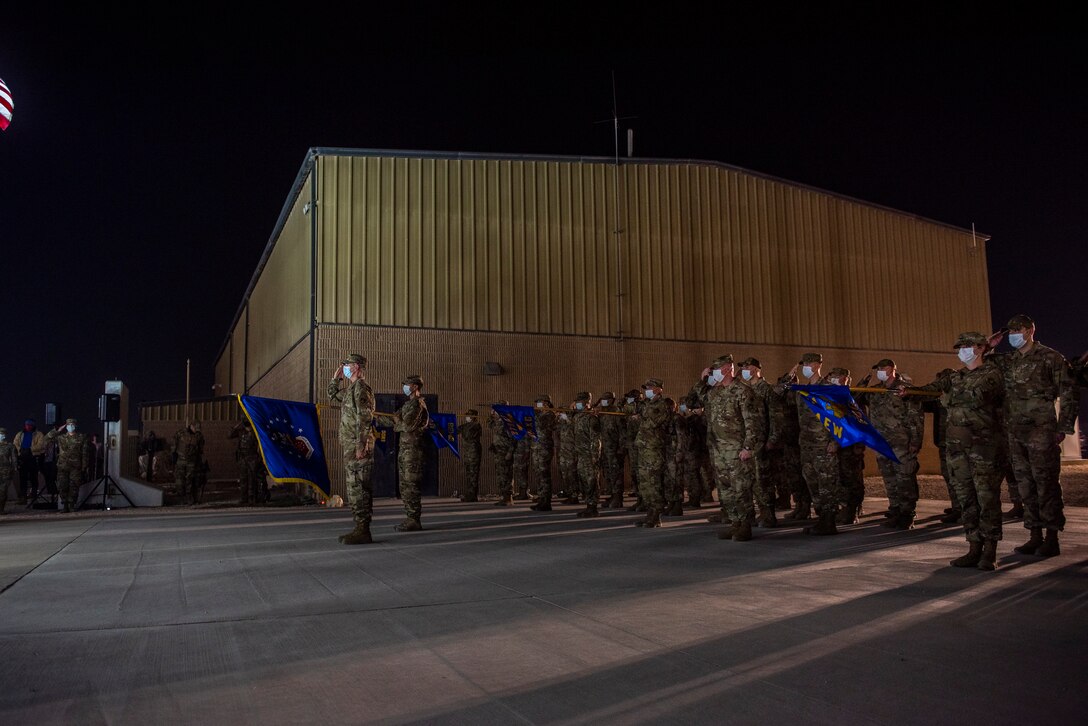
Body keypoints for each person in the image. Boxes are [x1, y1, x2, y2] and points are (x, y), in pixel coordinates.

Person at [912, 332, 1005, 570]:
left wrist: (947, 398)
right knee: (966, 499)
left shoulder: (992, 374)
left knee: (987, 499)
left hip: (983, 448)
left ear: (980, 348)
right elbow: (931, 390)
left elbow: (976, 398)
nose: (961, 350)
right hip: (957, 449)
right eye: (959, 347)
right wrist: (909, 392)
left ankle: (990, 551)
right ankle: (974, 547)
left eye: (966, 346)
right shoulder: (956, 377)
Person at [988, 314, 1079, 557]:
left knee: (1046, 482)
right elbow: (983, 363)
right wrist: (989, 346)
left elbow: (1069, 393)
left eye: (1018, 330)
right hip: (1015, 431)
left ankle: (1051, 537)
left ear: (1030, 330)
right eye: (1011, 331)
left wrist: (1064, 427)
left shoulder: (1050, 357)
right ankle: (1034, 534)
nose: (1014, 335)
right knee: (1025, 484)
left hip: (1042, 429)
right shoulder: (1009, 360)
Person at [779, 352, 842, 535]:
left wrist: (835, 441)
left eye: (807, 364)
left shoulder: (828, 388)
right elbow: (778, 394)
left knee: (827, 484)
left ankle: (829, 522)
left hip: (824, 445)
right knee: (812, 483)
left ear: (816, 365)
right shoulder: (802, 390)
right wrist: (788, 377)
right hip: (806, 445)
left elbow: (840, 417)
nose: (804, 367)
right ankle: (821, 518)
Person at [857, 359, 924, 529]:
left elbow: (915, 417)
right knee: (889, 479)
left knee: (904, 478)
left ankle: (907, 513)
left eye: (882, 368)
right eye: (877, 368)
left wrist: (916, 441)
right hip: (881, 443)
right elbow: (854, 397)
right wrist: (864, 380)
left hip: (901, 442)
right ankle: (895, 510)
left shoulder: (904, 389)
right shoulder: (875, 391)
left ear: (892, 369)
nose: (879, 370)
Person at [704, 356, 763, 541]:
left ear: (727, 369)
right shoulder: (715, 393)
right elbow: (694, 402)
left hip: (737, 449)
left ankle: (745, 525)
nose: (712, 373)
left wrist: (748, 447)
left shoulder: (743, 392)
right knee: (725, 490)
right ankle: (734, 523)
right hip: (719, 450)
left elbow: (752, 422)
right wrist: (702, 380)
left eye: (715, 369)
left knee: (741, 488)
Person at [328, 353, 377, 544]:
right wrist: (335, 378)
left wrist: (361, 444)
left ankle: (363, 530)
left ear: (356, 366)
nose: (345, 367)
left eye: (347, 365)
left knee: (360, 487)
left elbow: (364, 418)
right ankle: (359, 527)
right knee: (354, 488)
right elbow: (332, 395)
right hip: (351, 445)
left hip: (358, 446)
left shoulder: (361, 390)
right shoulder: (351, 390)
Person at [739, 357, 777, 527]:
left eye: (746, 367)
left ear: (754, 369)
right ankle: (755, 513)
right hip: (749, 441)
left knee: (763, 480)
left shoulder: (766, 389)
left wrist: (772, 439)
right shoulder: (746, 389)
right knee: (751, 480)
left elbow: (776, 416)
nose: (744, 370)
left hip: (762, 442)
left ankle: (768, 515)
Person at [827, 367, 866, 526]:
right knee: (840, 479)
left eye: (835, 376)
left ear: (844, 378)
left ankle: (852, 511)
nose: (832, 379)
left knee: (852, 480)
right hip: (839, 446)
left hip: (850, 446)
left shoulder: (851, 397)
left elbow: (857, 424)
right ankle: (844, 509)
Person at [633, 379, 673, 528]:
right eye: (646, 387)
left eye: (650, 387)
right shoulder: (646, 404)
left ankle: (656, 515)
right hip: (644, 447)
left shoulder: (662, 405)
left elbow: (653, 423)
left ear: (658, 389)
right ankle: (649, 512)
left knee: (653, 482)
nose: (646, 390)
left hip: (654, 449)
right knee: (644, 483)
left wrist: (640, 419)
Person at [392, 374, 430, 531]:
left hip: (413, 452)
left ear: (415, 387)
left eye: (407, 385)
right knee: (405, 486)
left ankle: (414, 519)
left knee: (411, 485)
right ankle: (410, 517)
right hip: (405, 450)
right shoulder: (408, 405)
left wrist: (396, 422)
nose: (405, 387)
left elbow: (406, 426)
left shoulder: (417, 405)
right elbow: (394, 418)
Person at [674, 393, 711, 509]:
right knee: (693, 475)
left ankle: (695, 499)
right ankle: (694, 498)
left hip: (695, 451)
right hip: (692, 450)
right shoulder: (691, 419)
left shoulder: (697, 419)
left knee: (694, 475)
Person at [45, 418, 88, 513]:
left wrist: (84, 466)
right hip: (62, 466)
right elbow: (47, 439)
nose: (71, 427)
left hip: (76, 466)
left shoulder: (82, 437)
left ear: (75, 426)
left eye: (72, 425)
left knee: (74, 486)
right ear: (66, 426)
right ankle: (64, 505)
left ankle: (72, 505)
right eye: (69, 425)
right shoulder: (61, 438)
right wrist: (57, 430)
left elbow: (85, 453)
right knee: (62, 485)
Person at [572, 391, 603, 518]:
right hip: (581, 454)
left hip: (589, 455)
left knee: (591, 481)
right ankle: (588, 505)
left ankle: (593, 507)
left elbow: (596, 439)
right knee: (584, 480)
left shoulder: (591, 418)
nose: (576, 404)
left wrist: (595, 456)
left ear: (585, 403)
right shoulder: (578, 417)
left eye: (578, 402)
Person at [530, 394, 558, 511]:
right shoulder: (538, 414)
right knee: (539, 475)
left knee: (544, 475)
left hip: (544, 447)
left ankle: (546, 501)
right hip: (536, 447)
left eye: (539, 402)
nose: (537, 404)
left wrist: (535, 413)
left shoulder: (550, 414)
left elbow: (541, 425)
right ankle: (541, 499)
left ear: (546, 403)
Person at [229, 418, 264, 505]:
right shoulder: (241, 432)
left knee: (252, 479)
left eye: (249, 425)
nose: (248, 427)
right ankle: (243, 498)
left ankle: (252, 498)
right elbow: (229, 435)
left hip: (252, 458)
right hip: (243, 459)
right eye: (246, 425)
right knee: (243, 479)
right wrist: (238, 424)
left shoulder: (255, 433)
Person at [489, 400, 517, 506]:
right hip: (498, 451)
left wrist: (510, 452)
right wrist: (491, 415)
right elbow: (490, 425)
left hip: (505, 451)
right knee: (501, 475)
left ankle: (508, 498)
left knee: (507, 474)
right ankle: (504, 497)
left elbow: (514, 438)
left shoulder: (509, 420)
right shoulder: (498, 420)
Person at [12, 418, 45, 505]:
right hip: (22, 458)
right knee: (23, 478)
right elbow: (15, 443)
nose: (28, 426)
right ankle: (23, 497)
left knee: (33, 477)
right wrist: (21, 450)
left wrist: (30, 449)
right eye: (27, 425)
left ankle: (34, 496)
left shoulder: (38, 434)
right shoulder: (20, 434)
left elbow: (41, 445)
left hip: (33, 457)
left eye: (30, 425)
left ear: (33, 425)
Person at [172, 421, 205, 505]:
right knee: (179, 479)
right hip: (180, 460)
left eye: (198, 429)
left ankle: (189, 498)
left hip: (192, 461)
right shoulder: (180, 433)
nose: (196, 431)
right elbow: (174, 442)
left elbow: (200, 450)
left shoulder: (199, 436)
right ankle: (180, 497)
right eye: (195, 428)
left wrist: (199, 461)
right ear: (191, 426)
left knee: (190, 480)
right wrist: (173, 454)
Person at [556, 403, 579, 504]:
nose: (561, 414)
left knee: (572, 473)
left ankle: (574, 495)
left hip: (571, 450)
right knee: (565, 474)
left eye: (562, 412)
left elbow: (573, 425)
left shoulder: (572, 420)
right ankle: (569, 493)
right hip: (563, 450)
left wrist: (566, 416)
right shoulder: (562, 422)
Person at [459, 409, 482, 502]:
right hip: (467, 453)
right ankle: (470, 494)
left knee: (473, 474)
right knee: (469, 474)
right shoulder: (465, 426)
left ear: (473, 417)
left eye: (469, 416)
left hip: (474, 453)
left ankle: (473, 495)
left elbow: (469, 435)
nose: (467, 417)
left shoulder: (476, 426)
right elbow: (454, 430)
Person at [0, 428, 16, 513]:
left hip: (5, 471)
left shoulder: (9, 446)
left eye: (3, 434)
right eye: (0, 434)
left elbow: (13, 458)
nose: (2, 435)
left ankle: (1, 508)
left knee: (3, 490)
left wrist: (14, 468)